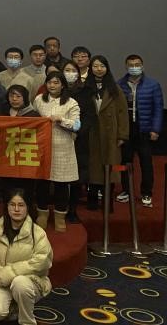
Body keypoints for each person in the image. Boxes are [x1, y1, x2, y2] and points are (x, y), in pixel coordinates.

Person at [0, 189, 52, 325]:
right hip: (1, 284)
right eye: (12, 204)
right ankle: (16, 307)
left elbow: (43, 262)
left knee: (20, 284)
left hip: (29, 282)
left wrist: (9, 273)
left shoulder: (38, 233)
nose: (16, 209)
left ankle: (27, 320)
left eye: (21, 205)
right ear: (7, 207)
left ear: (27, 207)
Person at [33, 72, 80, 231]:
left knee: (62, 185)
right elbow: (32, 119)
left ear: (63, 85)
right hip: (42, 147)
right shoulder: (39, 100)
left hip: (63, 148)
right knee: (42, 183)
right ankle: (42, 214)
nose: (52, 85)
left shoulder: (71, 103)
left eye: (56, 82)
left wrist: (61, 120)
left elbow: (77, 125)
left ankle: (60, 217)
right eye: (49, 82)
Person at [117, 54, 164, 208]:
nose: (134, 68)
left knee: (146, 162)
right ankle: (126, 190)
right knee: (125, 161)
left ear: (142, 66)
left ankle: (146, 192)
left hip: (144, 129)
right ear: (126, 66)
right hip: (127, 129)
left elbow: (158, 109)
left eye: (137, 65)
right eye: (131, 65)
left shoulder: (153, 85)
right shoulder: (119, 84)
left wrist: (155, 129)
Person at [86, 55, 129, 207]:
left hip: (110, 134)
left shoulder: (114, 88)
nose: (99, 69)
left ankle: (107, 203)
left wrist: (122, 135)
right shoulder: (85, 87)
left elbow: (122, 112)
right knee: (92, 169)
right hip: (92, 133)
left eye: (102, 66)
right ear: (90, 68)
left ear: (107, 68)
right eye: (95, 66)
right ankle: (92, 200)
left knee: (110, 168)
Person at [63, 59, 95, 220]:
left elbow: (89, 116)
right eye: (67, 70)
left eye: (73, 70)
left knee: (77, 175)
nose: (70, 74)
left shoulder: (86, 91)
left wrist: (79, 132)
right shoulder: (55, 90)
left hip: (79, 139)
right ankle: (60, 208)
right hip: (60, 138)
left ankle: (73, 210)